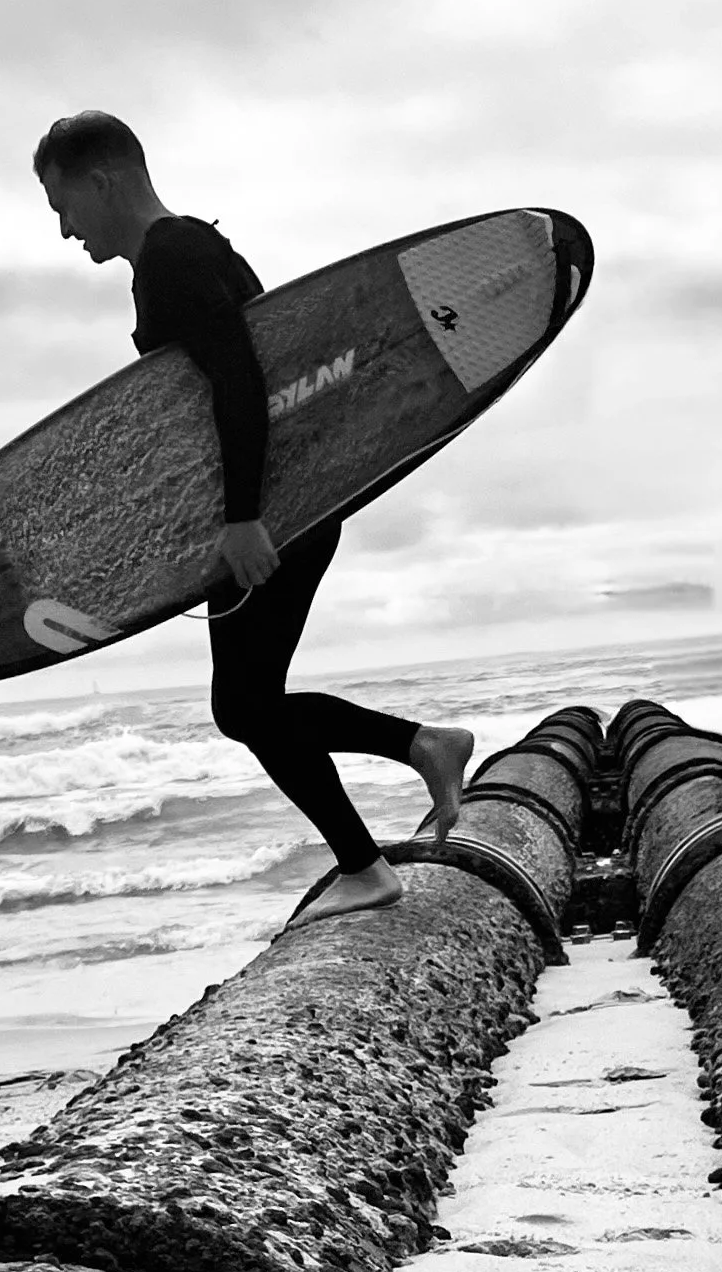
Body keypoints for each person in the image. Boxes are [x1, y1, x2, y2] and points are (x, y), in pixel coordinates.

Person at [33, 110, 473, 926]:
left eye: (64, 206)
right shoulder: (184, 252)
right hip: (281, 508)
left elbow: (240, 382)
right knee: (245, 701)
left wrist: (240, 519)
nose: (64, 230)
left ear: (104, 180)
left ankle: (400, 789)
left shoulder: (172, 258)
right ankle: (386, 815)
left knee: (241, 705)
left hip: (271, 516)